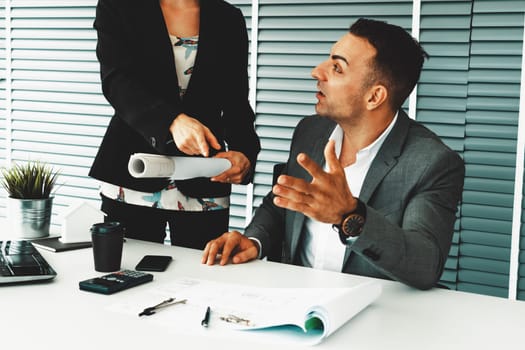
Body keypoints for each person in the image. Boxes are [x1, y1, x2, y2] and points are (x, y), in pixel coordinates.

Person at [202, 18, 465, 290]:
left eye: (337, 68)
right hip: (293, 304)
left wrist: (350, 216)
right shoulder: (310, 131)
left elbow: (424, 265)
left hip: (372, 315)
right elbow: (282, 203)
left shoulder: (432, 162)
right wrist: (254, 240)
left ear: (374, 97)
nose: (317, 72)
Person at [89, 0, 260, 249]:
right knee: (126, 277)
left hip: (204, 176)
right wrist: (171, 121)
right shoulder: (119, 6)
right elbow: (116, 82)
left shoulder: (228, 17)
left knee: (203, 280)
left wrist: (245, 154)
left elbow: (236, 102)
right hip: (133, 173)